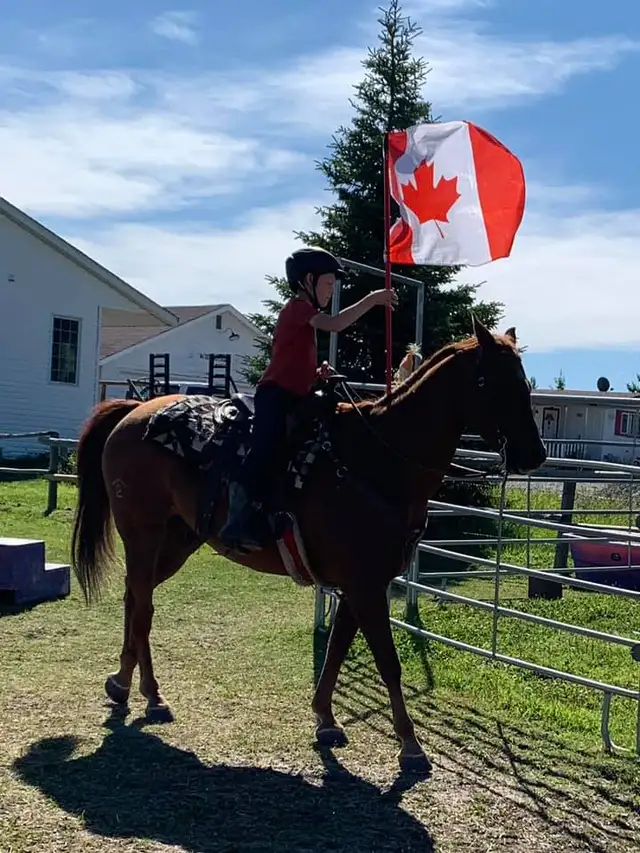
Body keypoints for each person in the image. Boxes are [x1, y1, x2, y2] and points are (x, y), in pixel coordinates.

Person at [219, 246, 398, 549]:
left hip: (295, 397)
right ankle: (235, 523)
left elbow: (294, 361)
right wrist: (373, 299)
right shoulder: (297, 308)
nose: (331, 290)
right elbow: (334, 324)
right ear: (308, 281)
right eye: (328, 283)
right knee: (265, 449)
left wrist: (317, 373)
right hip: (275, 396)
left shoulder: (304, 315)